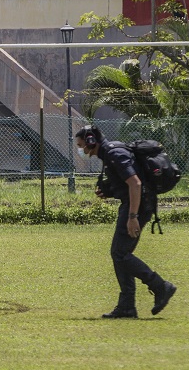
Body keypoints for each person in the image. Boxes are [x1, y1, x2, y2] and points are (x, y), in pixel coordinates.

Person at [75, 125, 177, 319]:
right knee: (121, 253)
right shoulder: (109, 154)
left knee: (120, 253)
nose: (80, 149)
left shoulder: (114, 153)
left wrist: (132, 217)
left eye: (81, 145)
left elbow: (135, 183)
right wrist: (110, 191)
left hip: (137, 206)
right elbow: (127, 183)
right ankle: (127, 307)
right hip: (136, 203)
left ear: (90, 141)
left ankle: (160, 286)